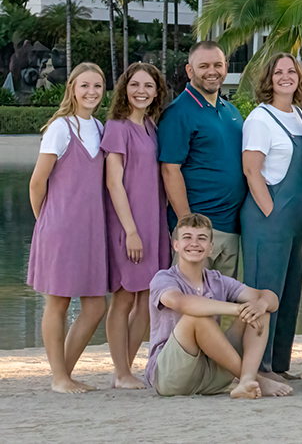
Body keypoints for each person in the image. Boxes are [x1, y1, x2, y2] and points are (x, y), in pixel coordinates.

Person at [146, 213, 292, 398]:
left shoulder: (217, 280)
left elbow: (270, 298)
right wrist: (237, 309)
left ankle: (246, 379)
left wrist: (260, 305)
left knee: (260, 310)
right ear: (176, 245)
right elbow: (182, 303)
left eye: (202, 238)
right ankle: (255, 379)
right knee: (196, 318)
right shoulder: (164, 278)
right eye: (187, 237)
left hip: (210, 374)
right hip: (171, 377)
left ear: (210, 248)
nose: (194, 243)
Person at [27, 63, 109, 393]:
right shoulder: (61, 128)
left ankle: (64, 373)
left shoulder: (100, 128)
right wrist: (46, 222)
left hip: (92, 231)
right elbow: (37, 183)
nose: (91, 92)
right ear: (72, 88)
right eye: (85, 85)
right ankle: (60, 378)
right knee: (58, 302)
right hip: (59, 228)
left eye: (98, 86)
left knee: (96, 306)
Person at [240, 53, 302, 382]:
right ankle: (261, 367)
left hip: (296, 221)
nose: (286, 77)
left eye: (291, 71)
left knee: (290, 291)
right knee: (264, 294)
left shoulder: (300, 115)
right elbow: (252, 171)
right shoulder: (260, 118)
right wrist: (272, 213)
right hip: (268, 219)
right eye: (278, 72)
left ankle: (280, 364)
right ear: (268, 79)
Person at [103, 62, 171, 389]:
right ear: (124, 89)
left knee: (147, 300)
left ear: (157, 92)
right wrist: (130, 230)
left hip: (153, 222)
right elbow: (114, 183)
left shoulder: (151, 126)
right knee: (123, 298)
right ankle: (120, 371)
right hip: (128, 224)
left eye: (148, 85)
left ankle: (125, 371)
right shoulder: (117, 127)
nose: (141, 91)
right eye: (135, 85)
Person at [159, 41, 246, 277]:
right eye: (204, 65)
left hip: (231, 228)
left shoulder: (232, 112)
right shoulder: (178, 113)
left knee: (219, 306)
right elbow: (170, 170)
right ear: (190, 70)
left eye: (218, 65)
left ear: (226, 67)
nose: (212, 71)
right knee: (189, 306)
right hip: (198, 230)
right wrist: (188, 225)